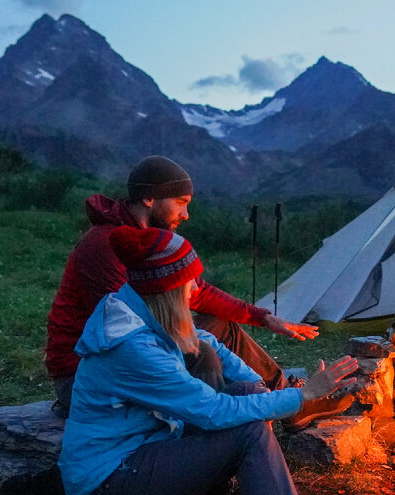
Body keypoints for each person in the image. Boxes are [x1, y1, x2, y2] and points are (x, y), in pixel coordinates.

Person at [57, 226, 376, 495]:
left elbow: (211, 345)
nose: (196, 289)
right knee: (244, 427)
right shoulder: (131, 346)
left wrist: (261, 389)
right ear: (167, 289)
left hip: (141, 458)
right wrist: (301, 396)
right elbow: (213, 412)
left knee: (245, 394)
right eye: (189, 282)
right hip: (108, 493)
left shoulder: (142, 307)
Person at [45, 155, 348, 427]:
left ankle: (284, 398)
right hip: (87, 378)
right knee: (203, 345)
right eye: (181, 201)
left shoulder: (145, 240)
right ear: (150, 198)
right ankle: (269, 409)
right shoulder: (105, 245)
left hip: (125, 361)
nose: (187, 214)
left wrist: (263, 317)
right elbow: (128, 333)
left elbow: (197, 292)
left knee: (217, 325)